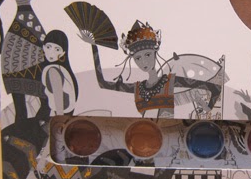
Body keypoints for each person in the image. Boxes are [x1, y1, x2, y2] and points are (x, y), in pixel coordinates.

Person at [80, 20, 221, 118]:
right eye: (138, 58)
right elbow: (103, 84)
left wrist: (207, 108)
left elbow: (214, 88)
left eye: (147, 55)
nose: (143, 62)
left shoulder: (170, 82)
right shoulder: (138, 88)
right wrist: (94, 46)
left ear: (155, 53)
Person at [38, 30, 79, 119]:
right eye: (48, 47)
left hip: (61, 114)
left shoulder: (53, 70)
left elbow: (58, 98)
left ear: (63, 53)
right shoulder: (60, 68)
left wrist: (59, 119)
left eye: (57, 49)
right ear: (43, 47)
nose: (51, 52)